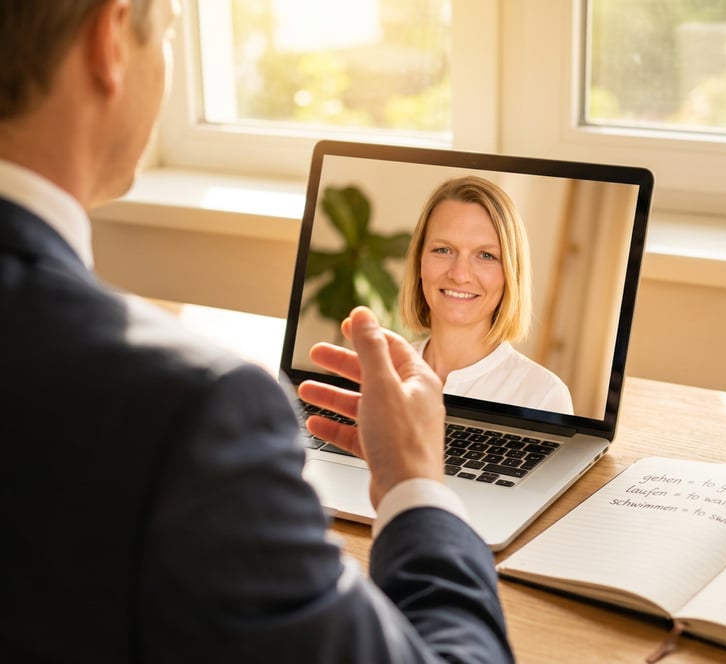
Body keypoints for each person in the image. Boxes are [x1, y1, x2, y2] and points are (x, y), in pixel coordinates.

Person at [0, 1, 514, 662]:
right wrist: (415, 481)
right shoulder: (191, 411)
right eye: (172, 35)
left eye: (485, 254)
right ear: (110, 41)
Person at [400, 176, 574, 414]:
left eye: (486, 256)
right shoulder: (380, 371)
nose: (460, 275)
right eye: (443, 250)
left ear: (511, 274)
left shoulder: (542, 396)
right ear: (419, 261)